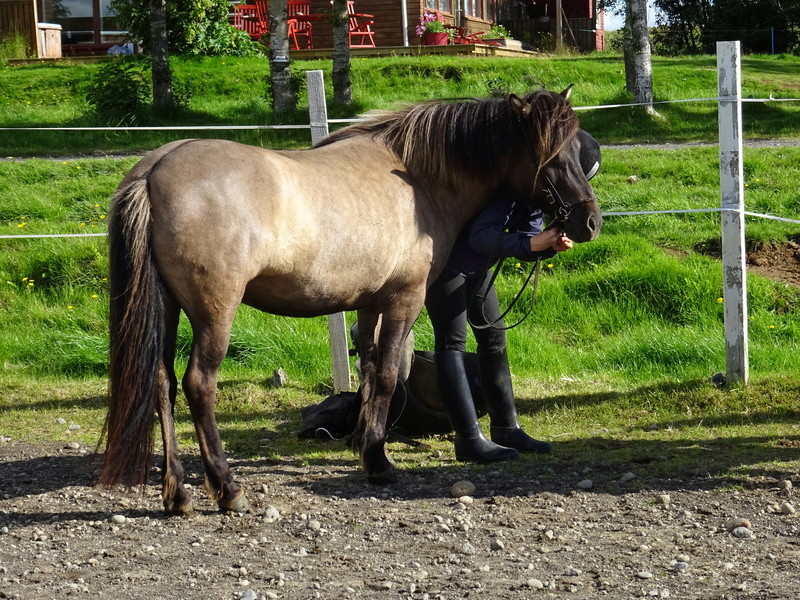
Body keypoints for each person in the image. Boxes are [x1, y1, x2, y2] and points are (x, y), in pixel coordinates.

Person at [425, 129, 601, 462]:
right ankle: (467, 439)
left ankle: (507, 428)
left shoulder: (533, 195)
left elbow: (528, 237)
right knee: (451, 343)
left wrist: (546, 246)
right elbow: (481, 237)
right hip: (449, 266)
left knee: (494, 339)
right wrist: (531, 244)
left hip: (478, 267)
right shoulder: (508, 192)